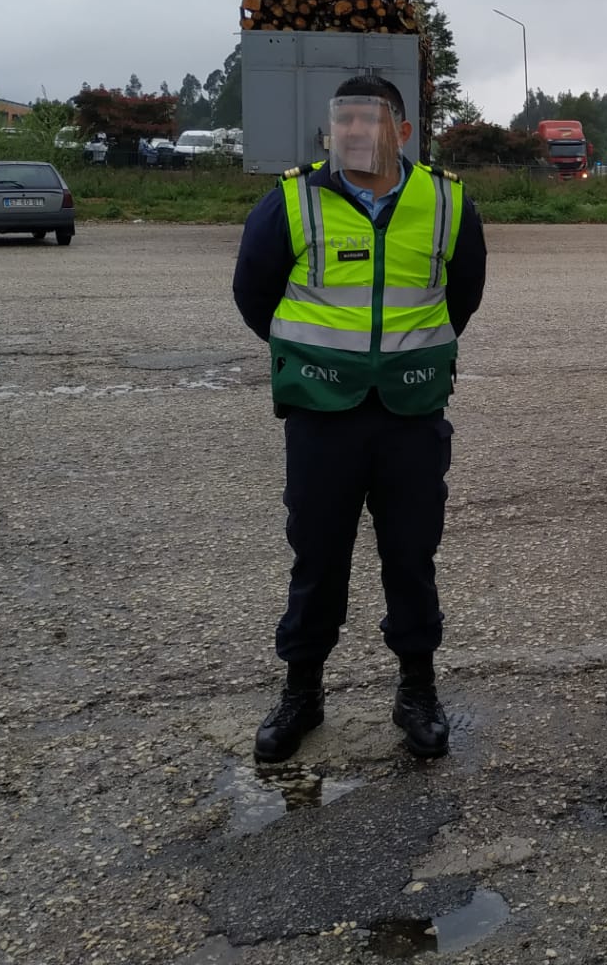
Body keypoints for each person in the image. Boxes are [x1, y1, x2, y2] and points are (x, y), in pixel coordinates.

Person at [232, 76, 487, 764]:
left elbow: (463, 296)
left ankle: (417, 692)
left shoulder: (446, 202)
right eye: (341, 120)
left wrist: (406, 357)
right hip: (322, 415)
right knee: (317, 559)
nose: (351, 131)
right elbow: (254, 294)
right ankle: (302, 693)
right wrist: (315, 359)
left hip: (411, 412)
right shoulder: (293, 199)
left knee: (411, 558)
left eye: (367, 120)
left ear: (401, 132)